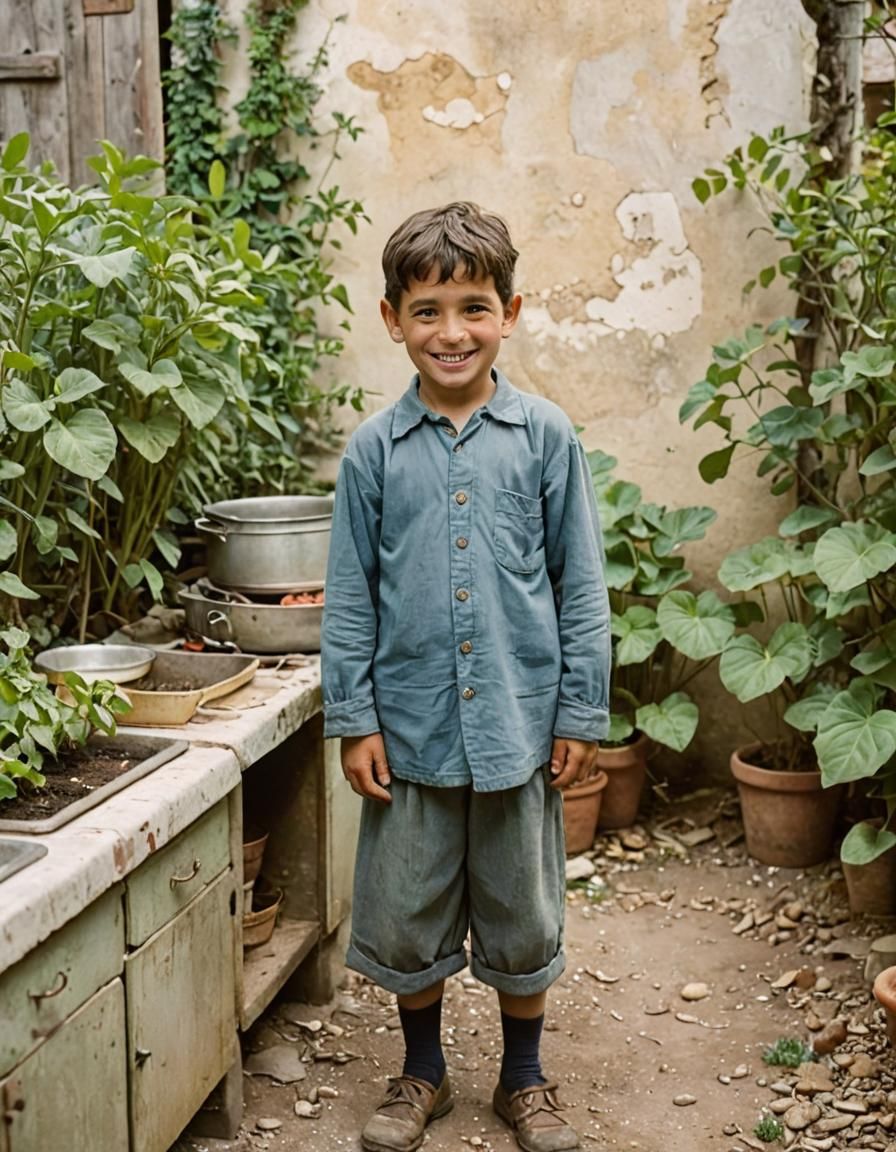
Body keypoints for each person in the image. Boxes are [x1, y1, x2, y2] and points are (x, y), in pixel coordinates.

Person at [321, 201, 610, 1152]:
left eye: (474, 307)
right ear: (392, 319)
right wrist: (354, 718)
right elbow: (352, 597)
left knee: (524, 912)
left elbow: (580, 586)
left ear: (511, 311)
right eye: (430, 310)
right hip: (409, 730)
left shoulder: (545, 438)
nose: (453, 332)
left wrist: (580, 710)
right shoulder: (372, 453)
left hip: (520, 727)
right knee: (406, 913)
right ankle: (424, 1073)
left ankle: (523, 1079)